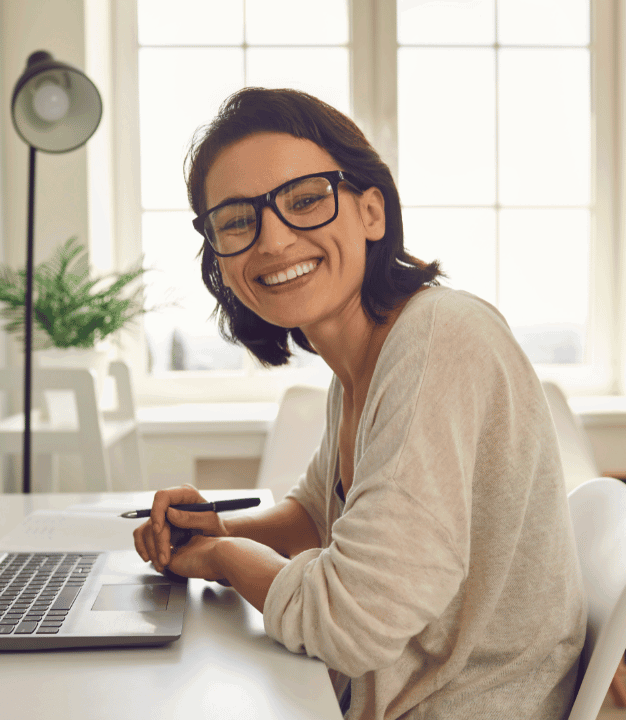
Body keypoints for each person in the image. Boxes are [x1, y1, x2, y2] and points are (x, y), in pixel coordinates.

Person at [133, 87, 586, 720]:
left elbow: (352, 621)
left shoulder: (439, 339)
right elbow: (320, 520)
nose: (272, 239)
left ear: (371, 211)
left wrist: (221, 557)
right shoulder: (357, 367)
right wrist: (218, 527)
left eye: (306, 200)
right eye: (238, 219)